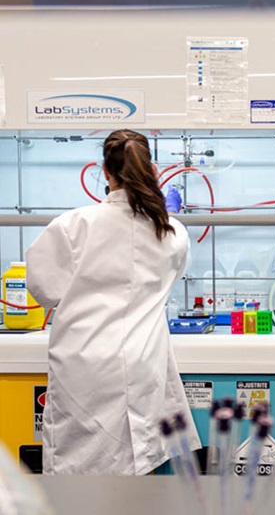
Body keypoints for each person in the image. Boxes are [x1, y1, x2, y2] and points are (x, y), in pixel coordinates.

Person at [25, 129, 200, 475]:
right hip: (141, 365)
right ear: (151, 170)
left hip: (83, 366)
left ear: (105, 172)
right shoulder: (171, 231)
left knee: (76, 472)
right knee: (135, 469)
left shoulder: (73, 226)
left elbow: (43, 290)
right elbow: (172, 275)